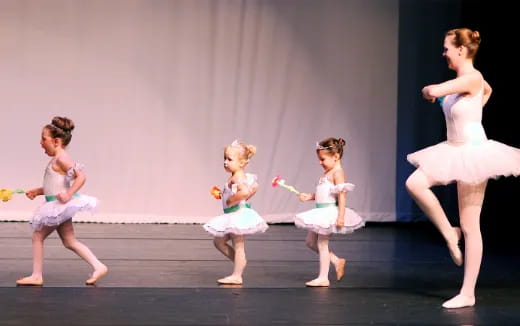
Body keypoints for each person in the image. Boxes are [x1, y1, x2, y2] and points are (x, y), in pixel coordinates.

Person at [406, 28, 520, 308]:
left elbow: (433, 90)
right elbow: (487, 91)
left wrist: (433, 92)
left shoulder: (472, 77)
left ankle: (468, 293)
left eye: (446, 48)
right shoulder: (465, 84)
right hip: (453, 148)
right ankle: (448, 233)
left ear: (460, 50)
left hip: (474, 152)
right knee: (414, 184)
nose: (444, 53)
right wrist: (473, 105)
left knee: (471, 226)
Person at [16, 116, 108, 286]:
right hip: (58, 205)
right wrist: (38, 191)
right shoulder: (57, 159)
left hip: (58, 207)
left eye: (44, 139)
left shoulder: (61, 159)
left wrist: (69, 194)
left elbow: (81, 177)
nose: (41, 143)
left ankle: (37, 275)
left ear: (56, 141)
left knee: (38, 236)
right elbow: (56, 187)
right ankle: (98, 265)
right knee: (69, 241)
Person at [295, 137, 364, 287]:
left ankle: (323, 277)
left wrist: (341, 216)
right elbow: (323, 194)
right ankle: (336, 261)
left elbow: (341, 194)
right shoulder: (326, 173)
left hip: (329, 213)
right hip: (320, 211)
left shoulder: (338, 173)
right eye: (319, 159)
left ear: (336, 157)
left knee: (322, 243)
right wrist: (309, 197)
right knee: (310, 242)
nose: (320, 162)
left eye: (323, 159)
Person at [203, 140, 268, 285]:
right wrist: (224, 194)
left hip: (237, 214)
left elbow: (244, 192)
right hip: (233, 214)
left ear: (242, 163)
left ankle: (237, 275)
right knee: (219, 241)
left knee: (238, 245)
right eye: (224, 158)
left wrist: (230, 200)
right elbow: (250, 190)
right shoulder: (236, 176)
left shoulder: (238, 176)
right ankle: (240, 262)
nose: (225, 162)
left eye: (229, 159)